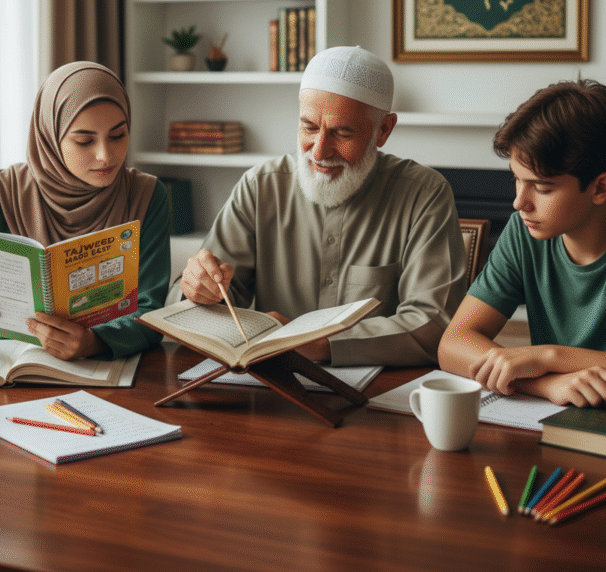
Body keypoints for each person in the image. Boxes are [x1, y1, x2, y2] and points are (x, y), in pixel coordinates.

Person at [169, 46, 467, 366]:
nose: (320, 150)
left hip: (381, 392)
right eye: (310, 127)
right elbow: (204, 303)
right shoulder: (260, 187)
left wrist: (327, 344)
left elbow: (434, 322)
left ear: (383, 130)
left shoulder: (424, 195)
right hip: (267, 385)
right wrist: (196, 290)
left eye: (342, 132)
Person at [0, 61, 170, 360]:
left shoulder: (147, 196)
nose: (105, 155)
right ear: (50, 136)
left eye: (118, 135)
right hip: (12, 373)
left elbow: (153, 312)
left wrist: (94, 342)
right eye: (85, 140)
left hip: (109, 374)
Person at [438, 79, 606, 407]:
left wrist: (551, 356)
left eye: (542, 188)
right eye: (516, 180)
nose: (519, 203)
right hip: (552, 424)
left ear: (601, 188)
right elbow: (453, 344)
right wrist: (548, 384)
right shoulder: (524, 235)